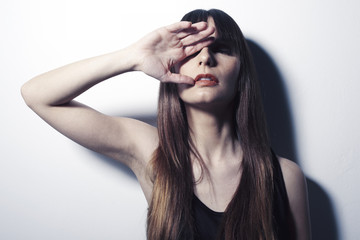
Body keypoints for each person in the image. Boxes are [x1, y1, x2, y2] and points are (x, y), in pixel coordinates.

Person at [21, 8, 311, 240]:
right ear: (171, 65)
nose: (205, 58)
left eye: (221, 49)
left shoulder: (284, 177)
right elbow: (38, 95)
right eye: (191, 50)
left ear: (241, 72)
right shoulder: (151, 152)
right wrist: (133, 57)